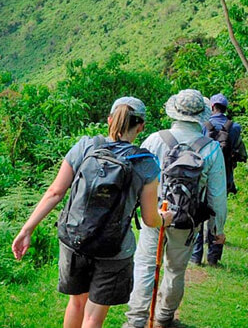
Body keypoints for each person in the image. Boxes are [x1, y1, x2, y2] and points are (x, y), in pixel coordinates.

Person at [12, 97, 173, 328]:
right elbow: (150, 219)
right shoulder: (146, 164)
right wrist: (164, 218)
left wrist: (26, 230)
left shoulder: (86, 146)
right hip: (114, 249)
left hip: (75, 240)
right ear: (141, 126)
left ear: (109, 120)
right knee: (92, 317)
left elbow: (55, 192)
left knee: (76, 304)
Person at [123, 89, 227, 328]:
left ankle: (136, 320)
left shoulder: (155, 139)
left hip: (155, 215)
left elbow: (136, 179)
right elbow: (217, 196)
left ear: (175, 112)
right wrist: (217, 229)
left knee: (146, 264)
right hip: (186, 219)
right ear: (201, 115)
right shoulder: (211, 148)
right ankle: (164, 317)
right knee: (175, 269)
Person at [191, 92, 242, 266]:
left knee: (198, 212)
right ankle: (213, 257)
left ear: (212, 107)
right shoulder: (234, 127)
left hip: (204, 174)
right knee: (217, 212)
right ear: (226, 108)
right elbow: (241, 152)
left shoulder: (204, 125)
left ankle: (196, 256)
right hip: (224, 176)